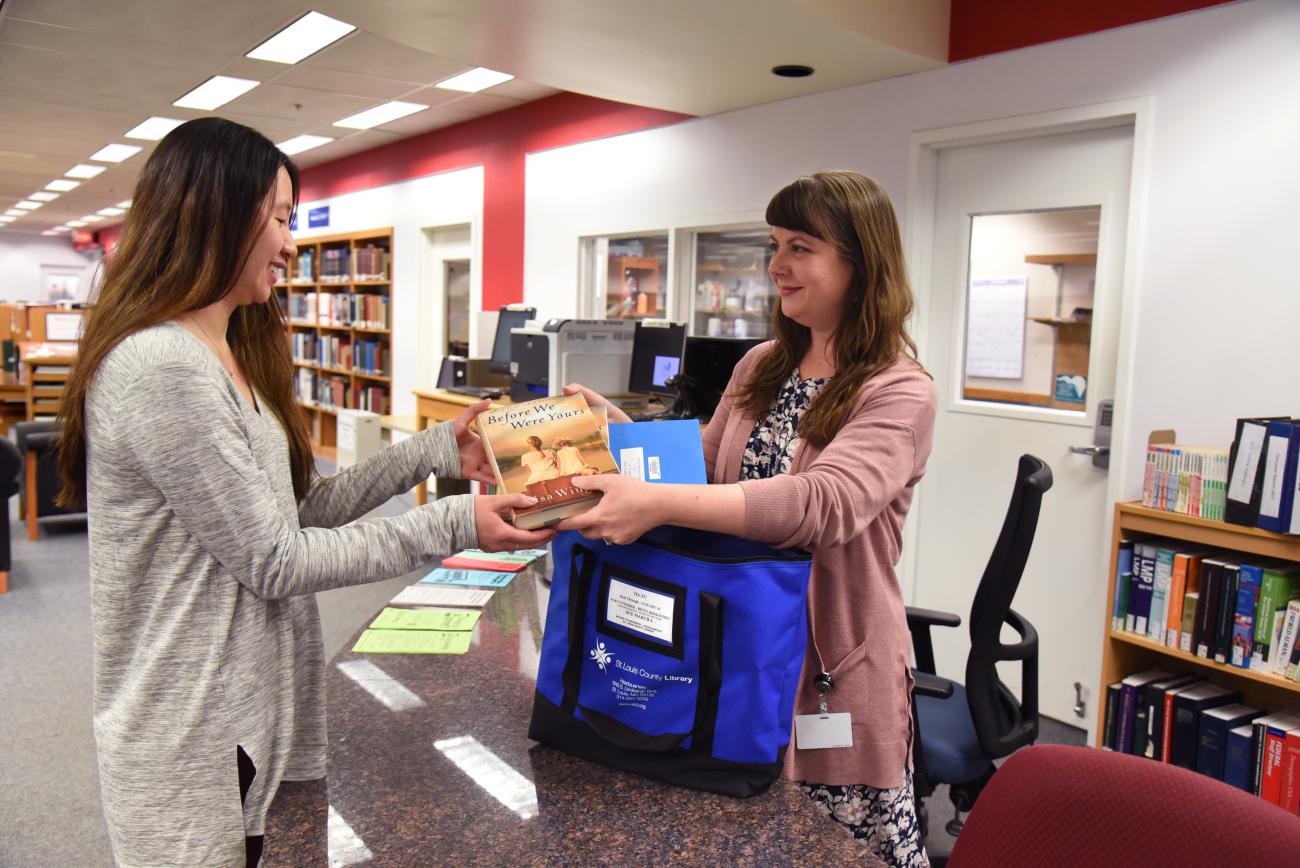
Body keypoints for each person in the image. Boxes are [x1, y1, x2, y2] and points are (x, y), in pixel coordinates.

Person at [55, 117, 554, 867]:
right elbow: (277, 559)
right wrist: (459, 521)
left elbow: (299, 511)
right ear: (218, 213)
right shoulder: (162, 365)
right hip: (192, 732)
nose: (291, 243)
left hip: (252, 715)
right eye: (282, 218)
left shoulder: (225, 349)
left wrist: (436, 449)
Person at [559, 171, 936, 867]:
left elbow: (819, 503)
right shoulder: (764, 364)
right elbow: (699, 467)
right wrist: (617, 436)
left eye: (801, 247)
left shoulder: (899, 391)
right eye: (774, 245)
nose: (776, 267)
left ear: (861, 262)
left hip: (831, 669)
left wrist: (658, 502)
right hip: (741, 645)